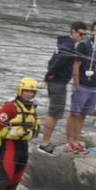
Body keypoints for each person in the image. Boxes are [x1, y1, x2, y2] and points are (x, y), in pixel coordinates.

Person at [39, 21, 85, 153]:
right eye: (80, 34)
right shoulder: (69, 45)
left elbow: (52, 60)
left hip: (59, 82)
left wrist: (49, 74)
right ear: (73, 31)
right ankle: (45, 142)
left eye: (83, 35)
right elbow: (57, 62)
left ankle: (46, 141)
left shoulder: (64, 43)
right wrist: (48, 76)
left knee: (55, 113)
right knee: (54, 113)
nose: (81, 37)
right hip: (58, 82)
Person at [65, 20, 96, 153]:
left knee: (83, 115)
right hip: (82, 84)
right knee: (74, 114)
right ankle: (69, 142)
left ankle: (77, 141)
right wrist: (76, 84)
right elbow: (76, 65)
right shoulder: (84, 45)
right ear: (91, 31)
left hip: (94, 85)